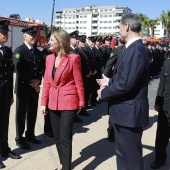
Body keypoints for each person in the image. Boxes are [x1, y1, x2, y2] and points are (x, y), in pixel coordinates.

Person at [97, 13, 149, 170]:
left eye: (119, 27)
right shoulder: (130, 49)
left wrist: (103, 94)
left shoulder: (136, 50)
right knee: (122, 154)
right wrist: (109, 81)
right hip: (123, 114)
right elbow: (126, 78)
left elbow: (126, 84)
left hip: (129, 115)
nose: (119, 30)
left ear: (127, 26)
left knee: (131, 159)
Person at [41, 29, 85, 170]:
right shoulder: (49, 59)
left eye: (52, 40)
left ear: (60, 42)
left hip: (69, 102)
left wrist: (81, 102)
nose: (49, 42)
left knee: (65, 137)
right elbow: (47, 81)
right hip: (53, 102)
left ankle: (66, 167)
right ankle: (62, 162)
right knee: (57, 137)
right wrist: (43, 103)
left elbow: (79, 81)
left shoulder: (74, 58)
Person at [13, 26, 43, 150]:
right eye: (31, 35)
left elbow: (41, 68)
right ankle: (19, 138)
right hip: (23, 88)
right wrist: (32, 82)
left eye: (35, 35)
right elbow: (19, 70)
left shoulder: (38, 51)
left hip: (34, 88)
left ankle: (30, 134)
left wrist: (38, 80)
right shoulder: (19, 50)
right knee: (21, 113)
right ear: (24, 36)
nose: (33, 37)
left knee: (32, 112)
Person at [0, 20, 21, 169]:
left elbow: (9, 75)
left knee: (4, 123)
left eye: (7, 33)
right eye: (3, 33)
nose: (6, 35)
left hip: (5, 96)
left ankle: (4, 149)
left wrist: (10, 96)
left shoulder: (7, 51)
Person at [150, 53, 170, 169]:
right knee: (161, 137)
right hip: (166, 106)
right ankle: (159, 159)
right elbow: (161, 84)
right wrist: (157, 101)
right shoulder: (167, 63)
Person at [103, 40, 125, 142]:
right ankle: (111, 131)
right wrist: (104, 80)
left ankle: (119, 130)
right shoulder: (117, 50)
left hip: (126, 83)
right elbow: (109, 64)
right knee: (114, 106)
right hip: (116, 82)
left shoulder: (135, 49)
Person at [69, 30, 84, 122]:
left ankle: (75, 114)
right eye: (75, 38)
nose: (77, 40)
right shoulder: (68, 50)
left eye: (78, 38)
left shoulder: (76, 50)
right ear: (70, 39)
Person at [41, 40, 54, 138]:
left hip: (56, 84)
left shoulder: (57, 53)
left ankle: (52, 127)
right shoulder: (44, 53)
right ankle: (47, 129)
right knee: (47, 108)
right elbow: (41, 68)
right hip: (48, 82)